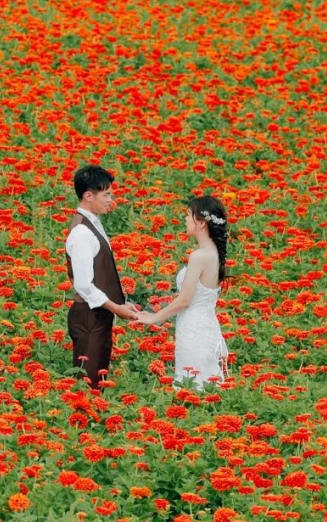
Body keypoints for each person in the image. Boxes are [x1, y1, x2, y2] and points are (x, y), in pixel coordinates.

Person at [138, 195, 230, 389]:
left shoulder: (199, 256)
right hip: (207, 327)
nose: (186, 219)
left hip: (194, 330)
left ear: (202, 223)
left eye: (189, 215)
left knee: (191, 385)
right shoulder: (214, 253)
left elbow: (184, 300)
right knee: (204, 386)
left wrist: (154, 318)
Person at [64, 164, 142, 390]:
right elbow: (84, 285)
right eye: (106, 195)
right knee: (89, 385)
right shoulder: (82, 233)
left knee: (96, 378)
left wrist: (120, 304)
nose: (111, 200)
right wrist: (117, 308)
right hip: (89, 317)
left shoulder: (93, 223)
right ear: (88, 196)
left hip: (98, 315)